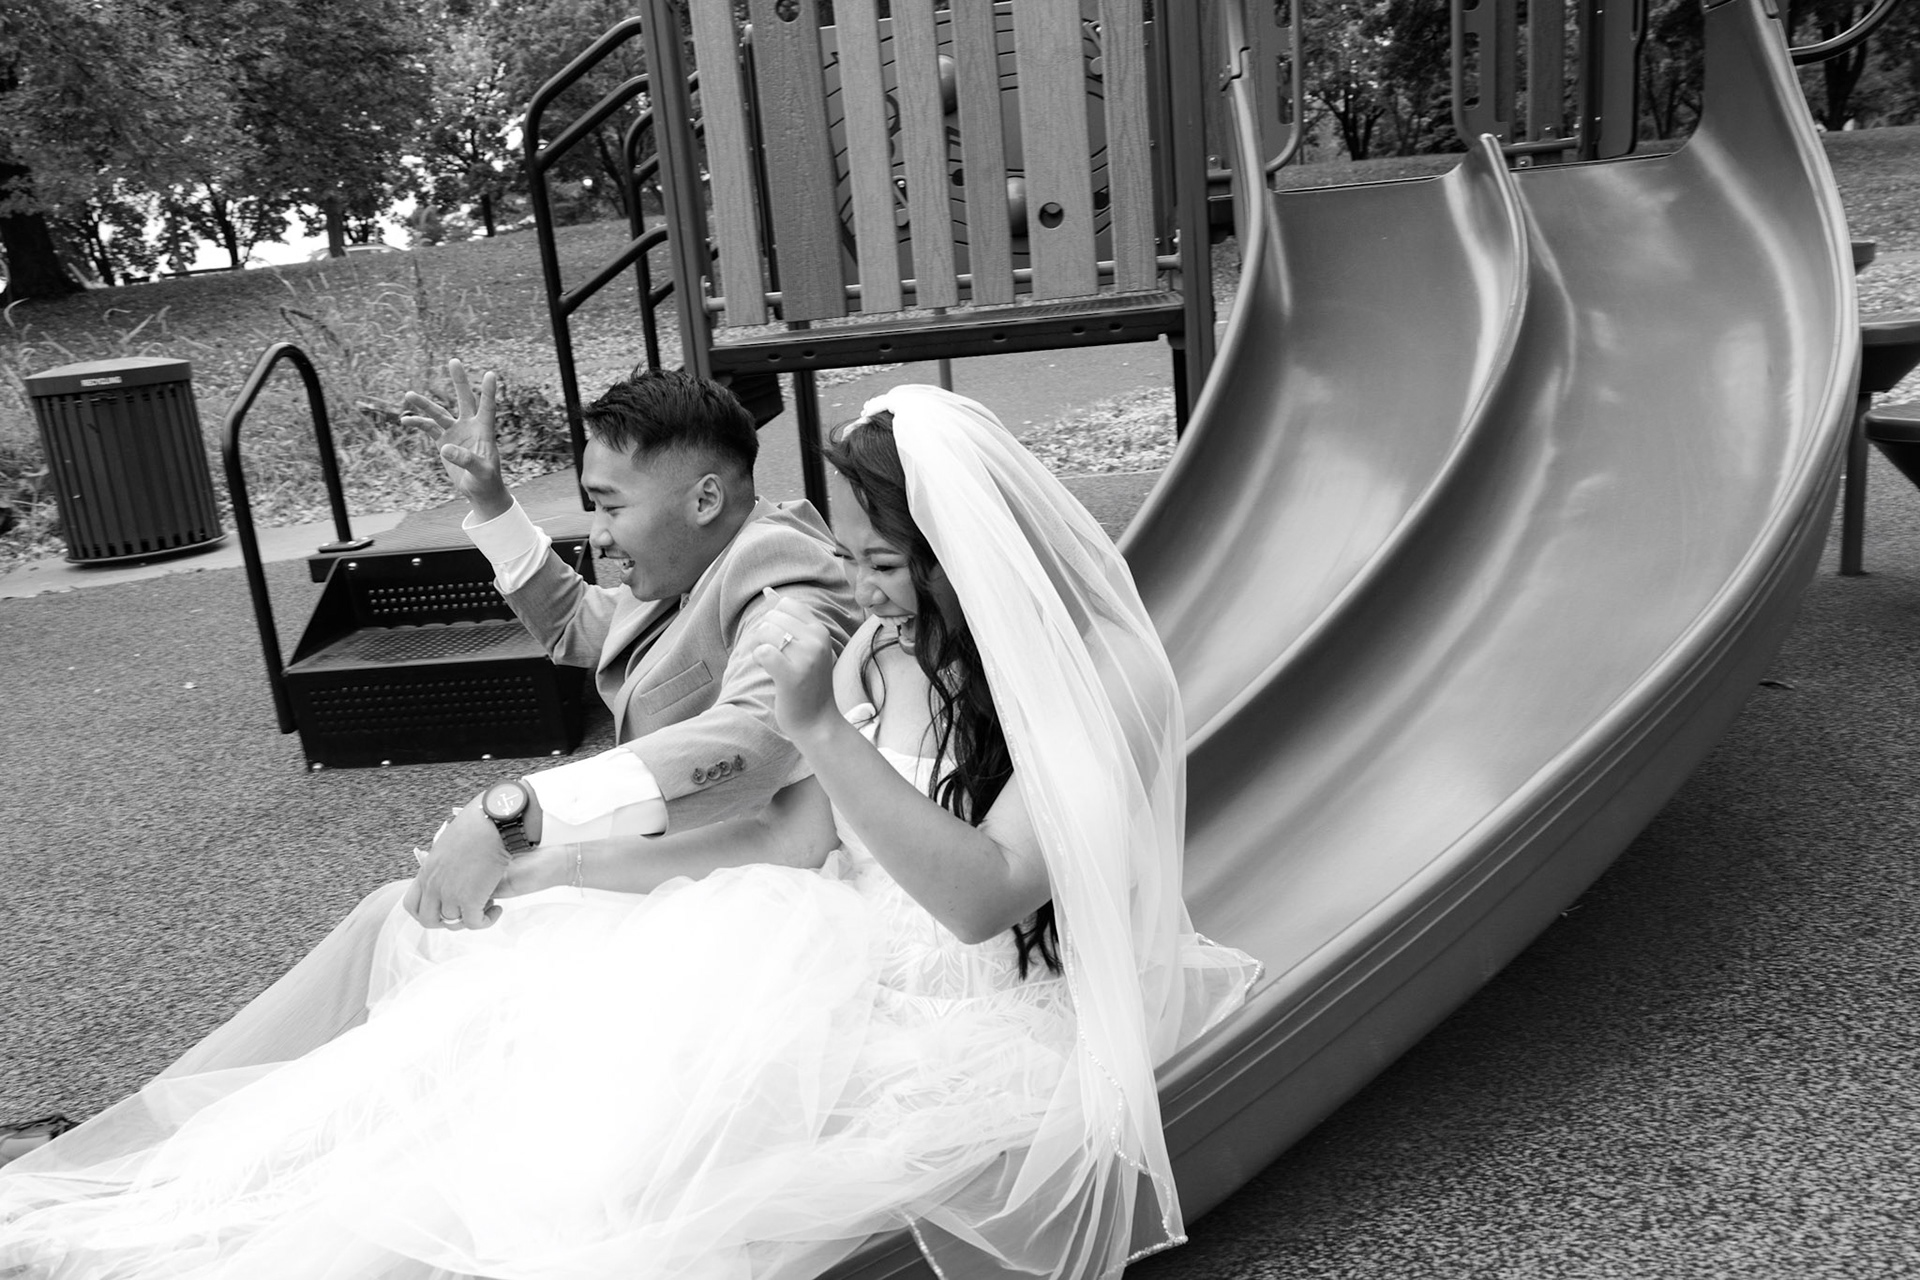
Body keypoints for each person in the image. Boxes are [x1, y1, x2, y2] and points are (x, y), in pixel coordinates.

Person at [0, 386, 1260, 1280]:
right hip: (825, 929)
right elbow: (781, 837)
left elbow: (974, 890)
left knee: (613, 1163)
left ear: (961, 557)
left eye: (885, 564)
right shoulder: (878, 641)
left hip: (971, 994)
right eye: (864, 560)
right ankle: (168, 1190)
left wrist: (803, 734)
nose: (866, 588)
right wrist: (564, 863)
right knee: (516, 1069)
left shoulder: (992, 652)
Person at [126, 362, 862, 1077]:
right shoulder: (700, 560)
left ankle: (173, 1124)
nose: (598, 535)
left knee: (408, 944)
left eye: (611, 507)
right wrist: (490, 500)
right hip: (663, 866)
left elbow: (757, 736)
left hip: (742, 904)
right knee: (398, 936)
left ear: (704, 499)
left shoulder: (784, 578)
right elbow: (577, 622)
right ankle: (177, 1119)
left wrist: (514, 812)